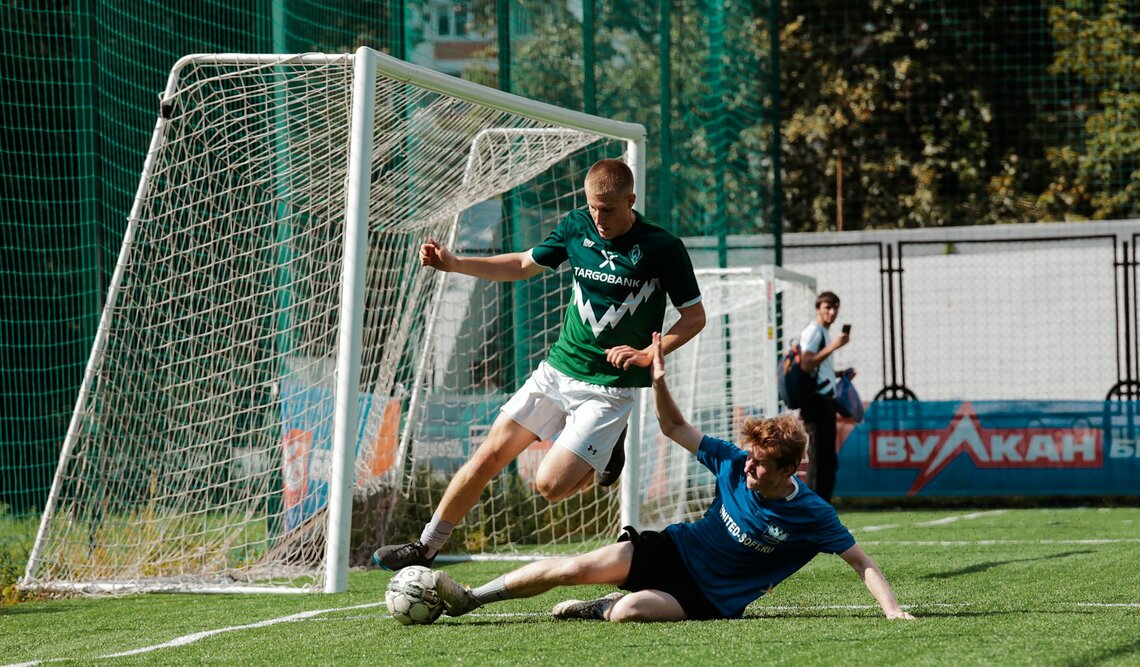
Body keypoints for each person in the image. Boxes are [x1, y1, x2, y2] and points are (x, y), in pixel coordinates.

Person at [428, 332, 915, 622]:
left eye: (761, 463)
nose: (749, 465)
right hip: (671, 548)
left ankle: (597, 606)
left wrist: (892, 609)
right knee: (570, 567)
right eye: (749, 456)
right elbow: (674, 427)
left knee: (627, 613)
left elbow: (861, 562)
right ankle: (473, 597)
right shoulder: (730, 461)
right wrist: (657, 379)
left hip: (707, 597)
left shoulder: (811, 513)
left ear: (789, 469)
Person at [374, 158, 706, 570]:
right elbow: (520, 265)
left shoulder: (663, 248)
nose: (599, 218)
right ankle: (425, 548)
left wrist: (647, 354)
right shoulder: (576, 226)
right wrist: (455, 263)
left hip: (608, 389)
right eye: (592, 207)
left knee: (548, 486)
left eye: (608, 208)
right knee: (489, 455)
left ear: (631, 200)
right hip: (556, 370)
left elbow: (694, 317)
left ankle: (605, 449)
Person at [798, 291, 854, 503]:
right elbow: (806, 363)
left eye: (835, 307)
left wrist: (840, 374)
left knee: (827, 461)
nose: (832, 312)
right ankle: (814, 508)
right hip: (816, 403)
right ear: (818, 309)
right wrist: (833, 347)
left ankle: (821, 508)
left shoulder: (823, 332)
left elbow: (818, 369)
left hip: (825, 403)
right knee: (819, 461)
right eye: (827, 307)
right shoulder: (814, 332)